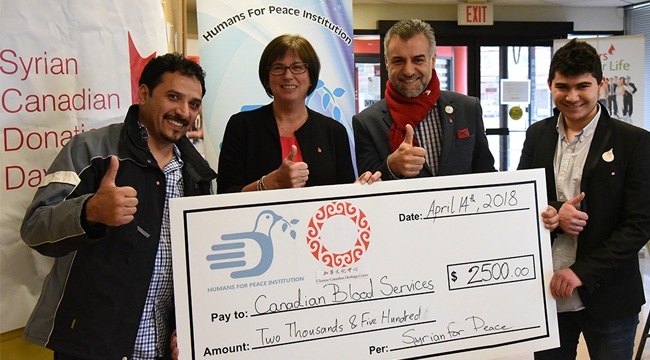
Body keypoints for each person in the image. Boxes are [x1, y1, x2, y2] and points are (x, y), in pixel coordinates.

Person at [20, 53, 217, 360]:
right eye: (173, 97)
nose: (183, 111)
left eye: (193, 104)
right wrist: (89, 212)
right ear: (143, 94)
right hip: (90, 347)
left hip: (161, 350)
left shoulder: (198, 173)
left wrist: (191, 325)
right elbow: (35, 227)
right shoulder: (91, 150)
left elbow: (198, 266)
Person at [518, 38, 650, 360]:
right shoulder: (537, 134)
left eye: (583, 86)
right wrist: (549, 214)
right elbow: (521, 198)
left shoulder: (634, 142)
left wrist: (582, 272)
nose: (572, 96)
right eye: (562, 86)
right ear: (550, 84)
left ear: (601, 85)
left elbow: (639, 224)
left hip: (609, 296)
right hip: (545, 293)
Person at [217, 34, 379, 193]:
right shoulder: (241, 126)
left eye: (297, 67)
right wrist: (269, 183)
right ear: (267, 78)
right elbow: (225, 194)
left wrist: (362, 189)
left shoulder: (334, 132)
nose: (288, 76)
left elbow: (343, 196)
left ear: (311, 77)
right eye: (278, 68)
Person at [353, 19, 495, 180]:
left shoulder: (467, 108)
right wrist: (391, 167)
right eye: (399, 61)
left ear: (433, 60)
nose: (408, 71)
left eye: (418, 60)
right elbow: (366, 192)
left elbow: (486, 172)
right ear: (386, 62)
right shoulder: (367, 123)